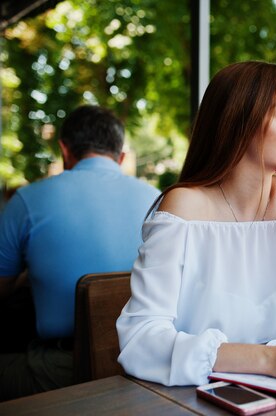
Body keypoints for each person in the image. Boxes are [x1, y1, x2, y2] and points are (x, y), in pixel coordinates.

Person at [116, 61, 276, 390]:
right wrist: (269, 360)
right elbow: (140, 341)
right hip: (197, 401)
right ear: (238, 124)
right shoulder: (185, 208)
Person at [0, 105, 160, 400]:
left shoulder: (27, 199)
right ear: (121, 157)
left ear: (64, 149)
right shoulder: (158, 201)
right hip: (146, 363)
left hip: (62, 369)